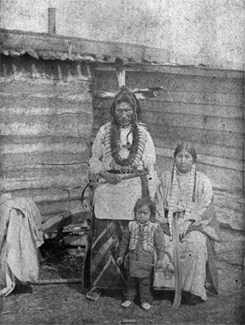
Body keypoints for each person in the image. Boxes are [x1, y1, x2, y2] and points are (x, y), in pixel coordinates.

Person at [85, 86, 158, 299]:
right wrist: (106, 176)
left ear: (134, 111)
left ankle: (131, 285)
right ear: (114, 111)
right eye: (120, 110)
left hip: (132, 188)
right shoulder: (104, 131)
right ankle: (100, 285)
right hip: (108, 188)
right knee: (104, 236)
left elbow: (150, 165)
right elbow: (94, 160)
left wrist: (149, 195)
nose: (123, 114)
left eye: (128, 110)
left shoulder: (143, 134)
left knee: (131, 237)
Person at [155, 142, 220, 305]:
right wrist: (164, 224)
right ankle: (165, 289)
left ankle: (191, 291)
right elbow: (158, 202)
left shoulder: (202, 180)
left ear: (194, 160)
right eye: (179, 156)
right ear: (174, 158)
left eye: (187, 157)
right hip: (168, 223)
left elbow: (206, 207)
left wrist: (190, 224)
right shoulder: (165, 177)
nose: (183, 160)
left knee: (196, 243)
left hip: (193, 224)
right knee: (160, 242)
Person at [117, 197, 165, 310]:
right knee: (131, 279)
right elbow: (124, 242)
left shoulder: (155, 227)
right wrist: (121, 255)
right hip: (133, 258)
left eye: (145, 213)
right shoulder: (131, 225)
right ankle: (129, 298)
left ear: (151, 214)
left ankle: (145, 300)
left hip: (146, 259)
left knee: (145, 281)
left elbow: (160, 245)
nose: (141, 215)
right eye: (139, 213)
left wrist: (160, 259)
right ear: (135, 213)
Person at [0, 193, 44, 296]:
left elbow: (1, 229)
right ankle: (18, 281)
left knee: (10, 254)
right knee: (23, 253)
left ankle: (12, 283)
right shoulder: (24, 201)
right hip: (21, 226)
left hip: (16, 226)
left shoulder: (4, 207)